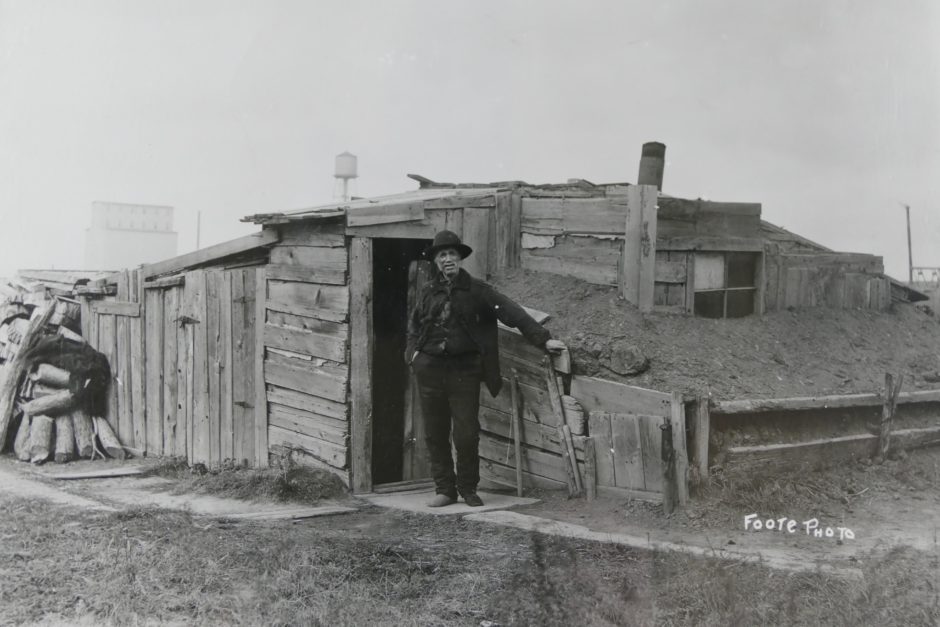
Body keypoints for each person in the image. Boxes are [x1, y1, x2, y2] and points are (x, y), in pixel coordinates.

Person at [405, 230, 565, 507]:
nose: (447, 259)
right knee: (435, 432)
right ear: (436, 261)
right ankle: (445, 489)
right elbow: (414, 326)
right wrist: (413, 355)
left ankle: (468, 489)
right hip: (430, 369)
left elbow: (512, 313)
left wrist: (544, 339)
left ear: (460, 258)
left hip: (464, 371)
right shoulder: (428, 291)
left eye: (452, 254)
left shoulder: (478, 290)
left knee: (466, 432)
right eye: (442, 255)